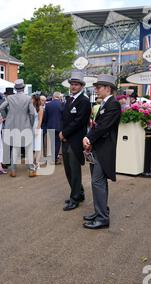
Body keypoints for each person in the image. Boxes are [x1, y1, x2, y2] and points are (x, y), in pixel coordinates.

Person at [82, 74, 121, 229]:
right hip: (98, 148)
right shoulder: (106, 103)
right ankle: (101, 211)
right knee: (99, 182)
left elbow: (103, 126)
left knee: (97, 182)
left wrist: (88, 138)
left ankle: (102, 217)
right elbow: (98, 126)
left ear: (108, 88)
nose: (96, 90)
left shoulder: (113, 104)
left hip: (104, 150)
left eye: (99, 87)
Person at [59, 71, 91, 212]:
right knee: (68, 170)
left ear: (82, 86)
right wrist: (63, 134)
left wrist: (64, 133)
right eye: (72, 84)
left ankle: (75, 198)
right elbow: (65, 119)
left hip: (75, 140)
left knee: (74, 170)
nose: (73, 86)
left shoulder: (84, 101)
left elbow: (79, 122)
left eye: (76, 84)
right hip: (66, 139)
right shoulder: (69, 99)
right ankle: (79, 192)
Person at [0, 79, 35, 177]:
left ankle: (13, 170)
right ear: (23, 88)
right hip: (26, 125)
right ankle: (31, 170)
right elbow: (32, 113)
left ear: (15, 88)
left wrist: (6, 117)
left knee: (15, 148)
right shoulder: (28, 98)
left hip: (13, 126)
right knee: (28, 148)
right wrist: (31, 124)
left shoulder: (10, 97)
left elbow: (1, 108)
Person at [44, 92, 64, 165]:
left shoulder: (48, 105)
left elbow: (45, 117)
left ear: (53, 96)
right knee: (57, 143)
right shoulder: (62, 104)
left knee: (50, 143)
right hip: (59, 126)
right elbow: (64, 117)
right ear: (59, 97)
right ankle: (54, 158)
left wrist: (46, 124)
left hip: (50, 125)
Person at [31, 93, 44, 175]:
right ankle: (32, 163)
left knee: (38, 147)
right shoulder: (31, 107)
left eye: (32, 99)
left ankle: (37, 163)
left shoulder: (40, 108)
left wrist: (37, 129)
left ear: (35, 99)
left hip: (37, 128)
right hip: (30, 128)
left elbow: (40, 120)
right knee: (31, 147)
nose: (31, 100)